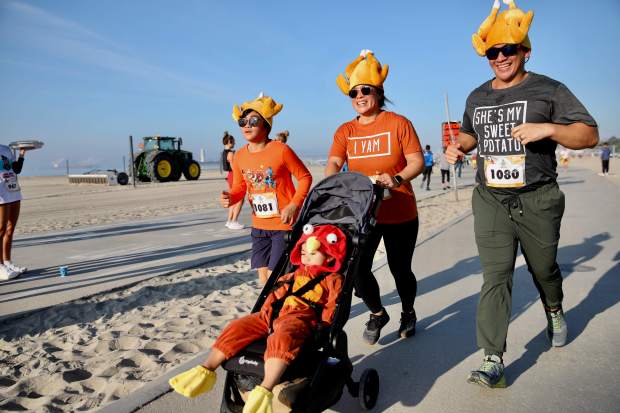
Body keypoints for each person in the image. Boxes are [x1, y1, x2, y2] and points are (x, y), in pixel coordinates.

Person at [445, 0, 599, 388]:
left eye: (508, 49)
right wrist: (459, 146)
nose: (500, 57)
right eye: (493, 52)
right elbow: (469, 133)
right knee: (495, 275)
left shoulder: (549, 89)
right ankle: (492, 358)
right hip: (491, 198)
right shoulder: (477, 96)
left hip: (538, 197)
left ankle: (554, 307)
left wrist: (548, 129)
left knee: (543, 268)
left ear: (525, 51)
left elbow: (589, 134)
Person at [169, 224, 347, 413]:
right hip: (272, 314)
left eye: (312, 254)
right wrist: (267, 312)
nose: (306, 258)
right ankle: (206, 369)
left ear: (329, 256)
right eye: (303, 253)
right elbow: (274, 295)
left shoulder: (332, 280)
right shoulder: (291, 276)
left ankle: (265, 388)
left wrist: (325, 326)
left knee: (283, 336)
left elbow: (332, 306)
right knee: (238, 326)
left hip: (299, 317)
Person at [326, 50, 424, 344]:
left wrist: (396, 179)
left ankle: (408, 312)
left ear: (379, 92)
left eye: (365, 90)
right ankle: (378, 313)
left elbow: (416, 161)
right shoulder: (346, 130)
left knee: (400, 269)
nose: (359, 96)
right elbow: (334, 161)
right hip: (363, 212)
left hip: (400, 211)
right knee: (356, 268)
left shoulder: (398, 123)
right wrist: (333, 181)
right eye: (354, 92)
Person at [221, 93, 312, 285]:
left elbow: (305, 177)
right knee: (263, 280)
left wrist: (294, 205)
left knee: (275, 277)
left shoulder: (281, 150)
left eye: (253, 121)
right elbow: (240, 187)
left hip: (283, 225)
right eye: (242, 121)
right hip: (259, 226)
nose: (247, 125)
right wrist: (231, 197)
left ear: (266, 124)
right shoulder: (239, 156)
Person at [0, 145, 27, 281]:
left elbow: (16, 169)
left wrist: (22, 154)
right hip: (1, 194)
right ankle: (0, 267)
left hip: (13, 191)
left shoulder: (6, 149)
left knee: (10, 230)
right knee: (1, 229)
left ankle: (7, 263)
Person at [221, 132, 244, 230]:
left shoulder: (224, 152)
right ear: (230, 142)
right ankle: (234, 221)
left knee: (233, 198)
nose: (235, 143)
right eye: (233, 141)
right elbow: (234, 167)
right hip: (234, 176)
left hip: (230, 176)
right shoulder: (230, 153)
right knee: (240, 198)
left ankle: (229, 221)